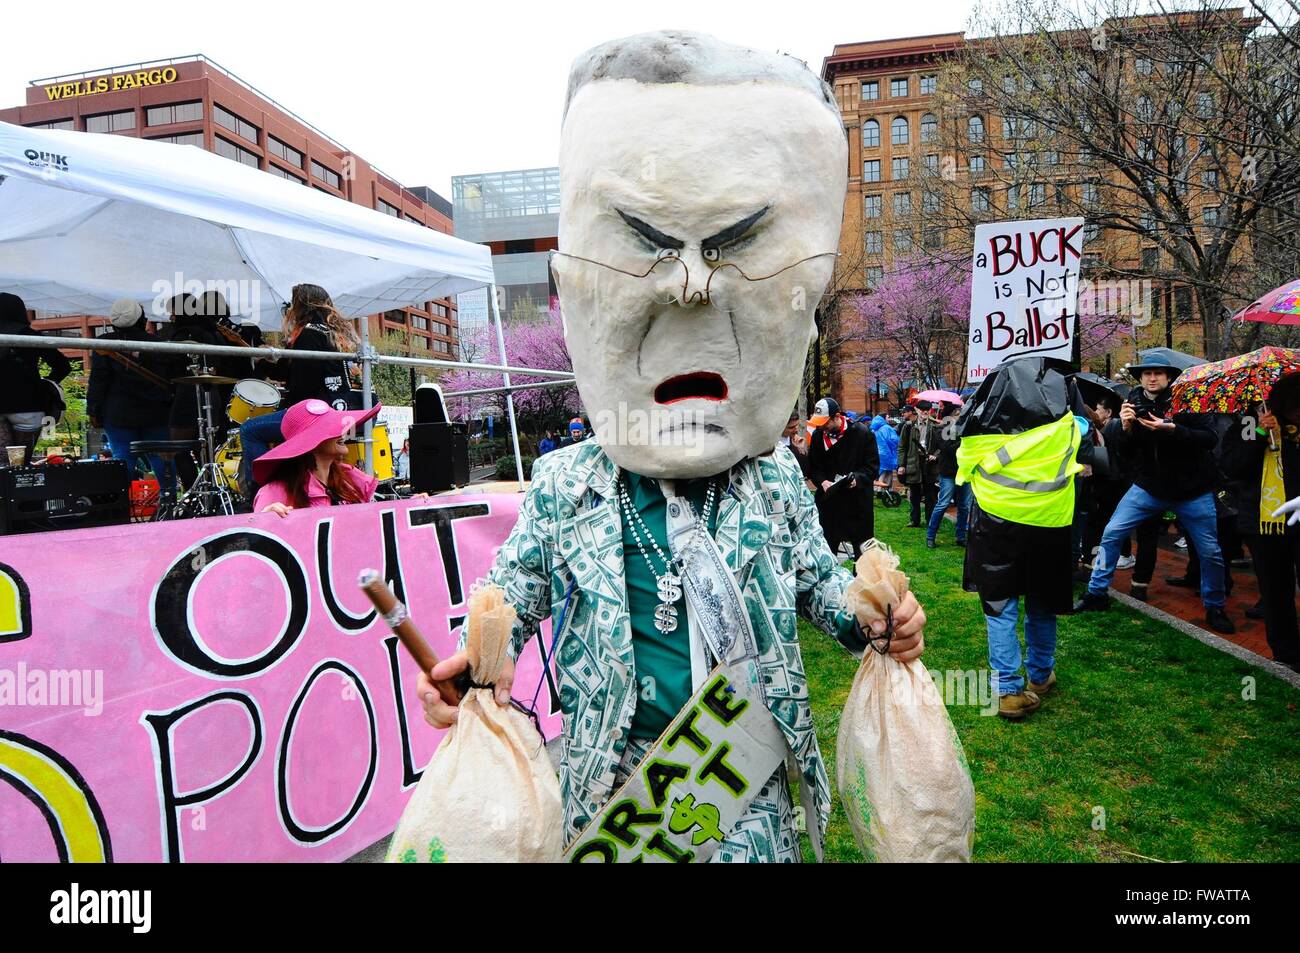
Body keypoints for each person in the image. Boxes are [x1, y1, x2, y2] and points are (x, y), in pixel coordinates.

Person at [414, 32, 926, 862]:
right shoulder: (567, 485)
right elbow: (514, 590)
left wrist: (878, 618)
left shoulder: (773, 485)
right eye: (649, 243)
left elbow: (820, 592)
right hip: (615, 796)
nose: (691, 292)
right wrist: (474, 660)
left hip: (744, 791)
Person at [957, 357, 1089, 720]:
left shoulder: (976, 442)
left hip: (996, 527)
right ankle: (1041, 675)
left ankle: (1008, 691)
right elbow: (1086, 432)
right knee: (1042, 601)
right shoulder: (1068, 431)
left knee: (1000, 605)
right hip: (1050, 525)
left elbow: (960, 463)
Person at [1075, 354, 1235, 634]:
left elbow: (1209, 439)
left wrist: (1173, 430)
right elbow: (1124, 451)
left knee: (1210, 552)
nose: (1152, 378)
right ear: (1140, 378)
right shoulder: (1133, 404)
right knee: (1112, 533)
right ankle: (1096, 594)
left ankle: (1215, 606)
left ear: (1169, 377)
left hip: (1193, 490)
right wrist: (1125, 429)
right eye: (1147, 373)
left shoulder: (1189, 399)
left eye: (1158, 373)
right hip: (1149, 487)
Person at [241, 283, 359, 497]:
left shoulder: (308, 335)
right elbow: (298, 373)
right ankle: (291, 484)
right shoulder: (330, 333)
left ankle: (264, 493)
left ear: (300, 306)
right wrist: (267, 362)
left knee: (250, 430)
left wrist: (265, 365)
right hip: (336, 409)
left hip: (315, 414)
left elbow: (302, 384)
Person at [1221, 373, 1300, 670]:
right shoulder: (1248, 424)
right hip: (1262, 522)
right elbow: (1232, 467)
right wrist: (1260, 435)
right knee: (1275, 589)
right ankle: (1286, 654)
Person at [86, 299, 176, 490]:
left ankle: (115, 506)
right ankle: (170, 504)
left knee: (123, 458)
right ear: (141, 320)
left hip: (118, 413)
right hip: (156, 412)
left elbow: (98, 380)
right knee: (161, 459)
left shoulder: (104, 344)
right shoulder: (158, 343)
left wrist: (93, 410)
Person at [252, 399, 381, 517]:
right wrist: (264, 520)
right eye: (331, 428)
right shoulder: (274, 493)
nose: (343, 433)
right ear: (309, 442)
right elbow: (258, 539)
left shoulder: (351, 480)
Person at [0, 292, 72, 467]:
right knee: (19, 465)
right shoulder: (31, 335)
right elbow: (63, 366)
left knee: (2, 465)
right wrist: (43, 384)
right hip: (29, 405)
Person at [807, 396, 878, 558]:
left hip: (857, 503)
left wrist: (857, 479)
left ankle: (862, 581)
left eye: (825, 422)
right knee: (826, 548)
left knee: (862, 551)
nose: (822, 427)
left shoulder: (862, 433)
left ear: (837, 417)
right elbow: (815, 467)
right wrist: (822, 482)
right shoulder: (818, 436)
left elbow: (872, 467)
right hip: (829, 503)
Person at [926, 402, 970, 549]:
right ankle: (931, 535)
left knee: (964, 506)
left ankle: (961, 536)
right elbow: (946, 448)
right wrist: (963, 441)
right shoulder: (941, 429)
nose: (960, 416)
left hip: (964, 471)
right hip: (949, 472)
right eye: (958, 413)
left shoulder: (965, 427)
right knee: (943, 503)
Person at [898, 400, 938, 528]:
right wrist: (901, 465)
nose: (925, 411)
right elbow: (902, 447)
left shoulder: (935, 425)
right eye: (922, 409)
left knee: (930, 494)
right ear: (917, 410)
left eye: (928, 409)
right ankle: (914, 520)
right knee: (914, 494)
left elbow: (941, 446)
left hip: (929, 463)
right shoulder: (908, 426)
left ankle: (930, 520)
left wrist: (935, 455)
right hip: (913, 462)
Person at [870, 413, 899, 488]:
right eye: (887, 417)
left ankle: (877, 490)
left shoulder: (874, 428)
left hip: (877, 452)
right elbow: (894, 440)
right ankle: (885, 491)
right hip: (886, 453)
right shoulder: (887, 427)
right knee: (887, 472)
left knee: (880, 471)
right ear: (883, 418)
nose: (888, 419)